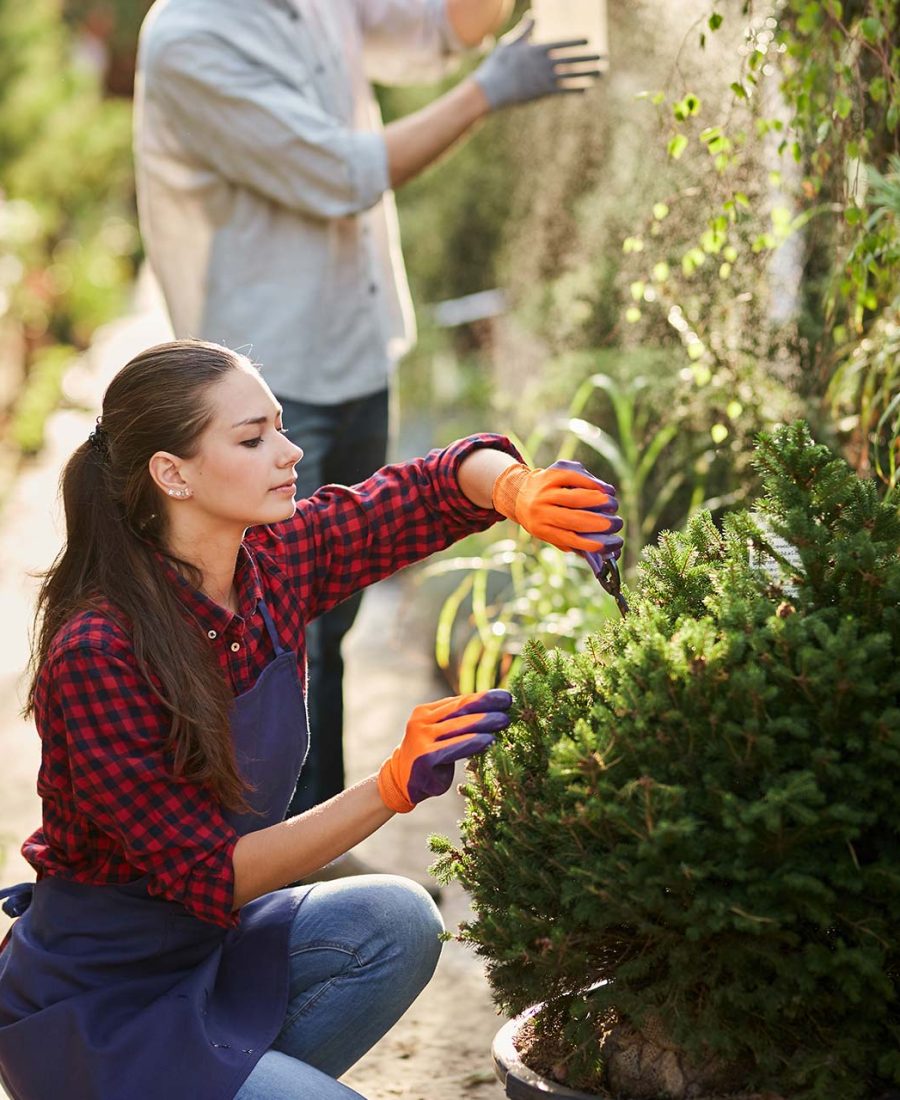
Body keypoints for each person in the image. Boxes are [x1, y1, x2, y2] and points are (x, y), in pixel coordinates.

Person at [0, 340, 622, 1100]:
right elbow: (211, 876)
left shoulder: (271, 562)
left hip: (209, 959)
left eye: (281, 427)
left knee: (395, 920)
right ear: (173, 474)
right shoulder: (99, 650)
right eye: (253, 439)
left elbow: (435, 487)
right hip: (100, 1008)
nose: (289, 452)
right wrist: (389, 787)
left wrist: (518, 490)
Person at [133, 0, 603, 824]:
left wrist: (507, 486)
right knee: (279, 634)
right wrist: (489, 91)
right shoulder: (190, 38)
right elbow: (340, 172)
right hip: (257, 381)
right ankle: (268, 862)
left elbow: (440, 33)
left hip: (354, 346)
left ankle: (312, 841)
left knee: (328, 618)